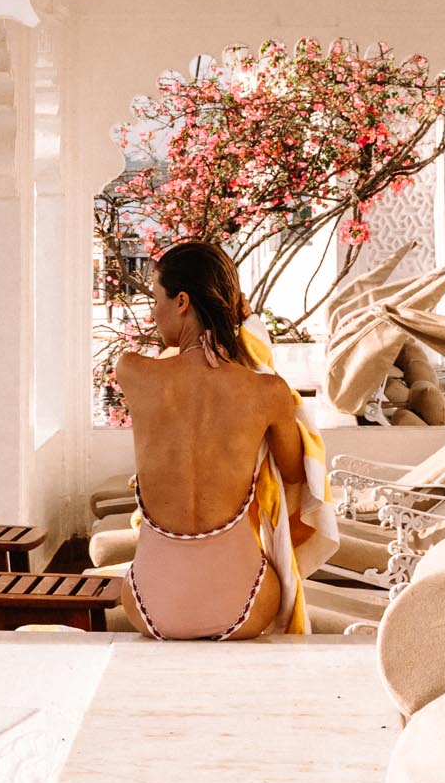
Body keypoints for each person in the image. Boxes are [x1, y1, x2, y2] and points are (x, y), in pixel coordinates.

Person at [113, 241, 310, 639]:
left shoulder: (132, 372)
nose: (153, 313)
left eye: (156, 299)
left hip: (150, 604)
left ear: (182, 301)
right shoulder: (268, 392)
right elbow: (293, 474)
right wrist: (245, 328)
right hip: (245, 602)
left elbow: (178, 366)